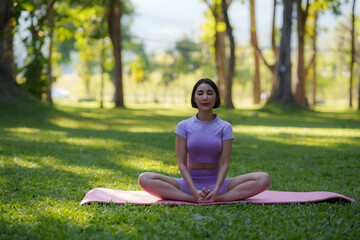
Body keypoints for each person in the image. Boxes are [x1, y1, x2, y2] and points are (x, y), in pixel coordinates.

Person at [138, 78, 271, 203]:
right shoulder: (183, 126)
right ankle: (191, 198)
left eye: (210, 93)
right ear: (194, 98)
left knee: (264, 178)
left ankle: (217, 198)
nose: (205, 97)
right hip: (188, 184)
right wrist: (193, 191)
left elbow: (224, 163)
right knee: (144, 178)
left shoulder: (225, 127)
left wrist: (217, 189)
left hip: (219, 185)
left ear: (216, 97)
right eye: (200, 93)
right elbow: (181, 163)